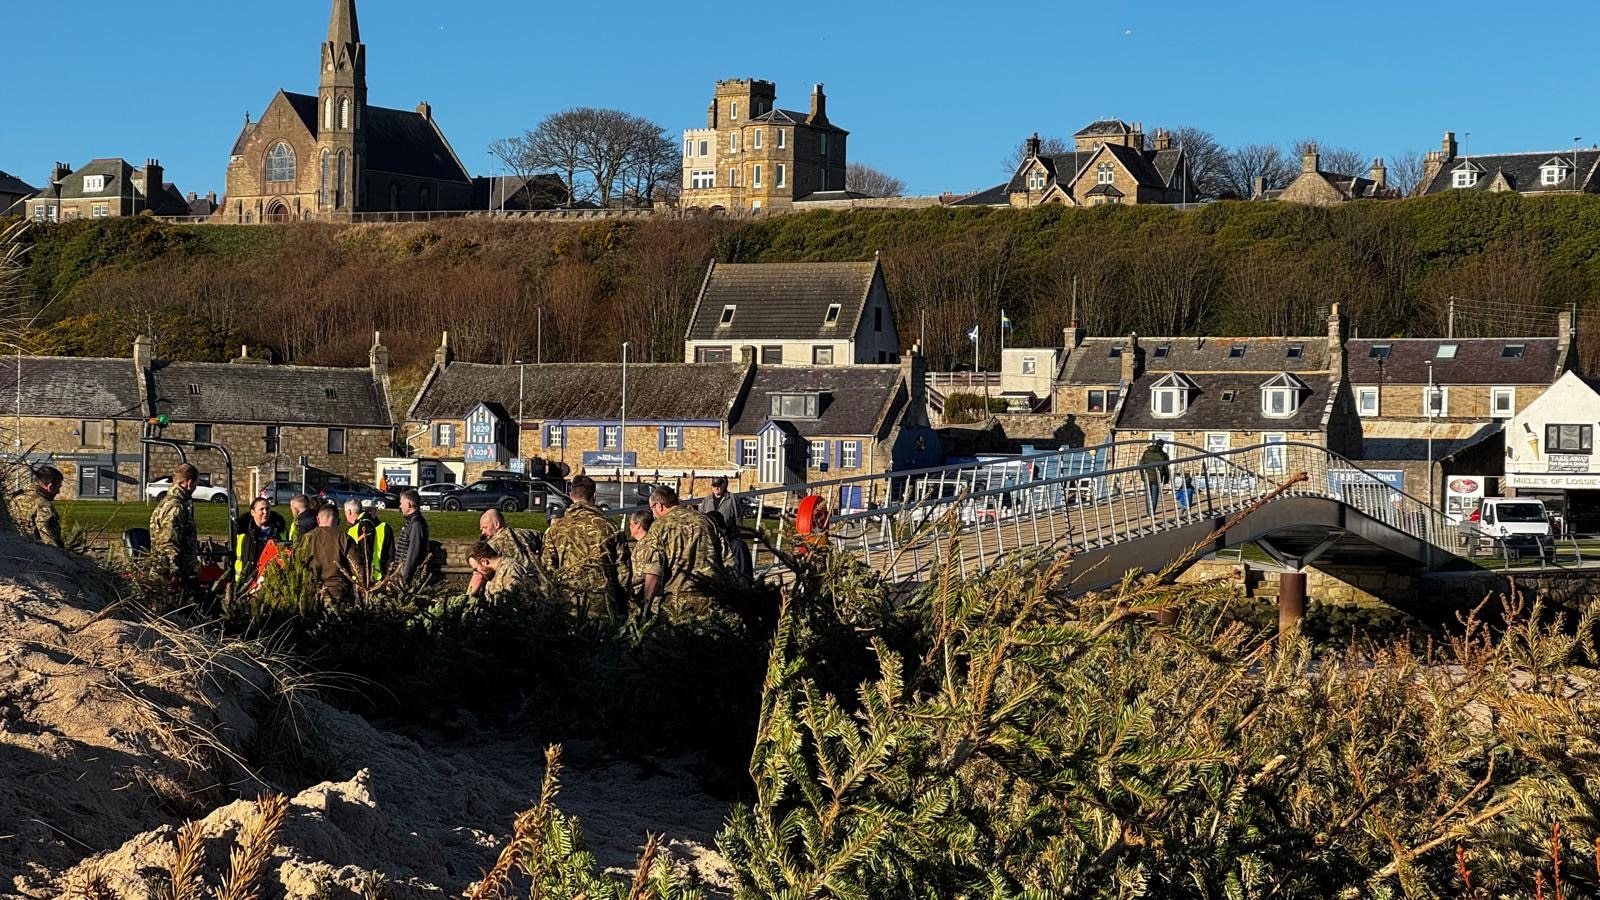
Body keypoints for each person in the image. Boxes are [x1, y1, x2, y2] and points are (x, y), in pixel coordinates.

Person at [638, 485, 723, 613]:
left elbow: (654, 570)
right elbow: (727, 559)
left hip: (676, 601)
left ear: (658, 505)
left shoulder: (659, 526)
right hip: (710, 598)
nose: (653, 514)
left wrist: (645, 608)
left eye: (652, 509)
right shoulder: (706, 521)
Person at [542, 475, 621, 615]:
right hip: (603, 601)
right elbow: (623, 571)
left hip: (568, 601)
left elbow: (548, 570)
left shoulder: (555, 530)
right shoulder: (610, 527)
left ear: (571, 495)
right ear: (594, 496)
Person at [150, 463, 201, 589]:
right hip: (169, 575)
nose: (195, 488)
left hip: (169, 570)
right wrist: (175, 573)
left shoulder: (168, 502)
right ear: (189, 483)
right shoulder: (175, 506)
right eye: (195, 484)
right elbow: (168, 541)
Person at [473, 509, 541, 597]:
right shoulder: (528, 533)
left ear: (496, 524)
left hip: (519, 592)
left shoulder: (491, 545)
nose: (483, 532)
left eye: (485, 528)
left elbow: (480, 575)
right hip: (542, 587)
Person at [303, 506, 357, 605]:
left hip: (310, 591)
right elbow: (357, 567)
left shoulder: (306, 538)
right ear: (338, 521)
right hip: (338, 592)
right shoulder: (344, 538)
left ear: (318, 519)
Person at [232, 497, 284, 588]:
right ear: (253, 512)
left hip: (270, 582)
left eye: (267, 509)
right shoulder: (242, 532)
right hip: (245, 582)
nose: (265, 512)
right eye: (261, 509)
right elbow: (233, 557)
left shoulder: (278, 531)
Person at [9, 465, 64, 549]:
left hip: (12, 546)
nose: (59, 492)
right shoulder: (44, 506)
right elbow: (50, 542)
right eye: (58, 487)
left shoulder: (16, 497)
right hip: (33, 551)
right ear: (50, 487)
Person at [343, 498, 389, 589]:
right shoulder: (357, 526)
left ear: (348, 512)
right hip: (365, 576)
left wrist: (363, 576)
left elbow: (365, 552)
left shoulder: (364, 525)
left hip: (367, 577)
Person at [467, 540, 531, 604]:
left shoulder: (510, 570)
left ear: (484, 561)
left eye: (476, 569)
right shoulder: (495, 572)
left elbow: (510, 601)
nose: (478, 572)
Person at [390, 488, 431, 586]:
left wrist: (404, 578)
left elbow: (413, 553)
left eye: (401, 503)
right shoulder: (411, 522)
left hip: (409, 578)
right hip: (402, 573)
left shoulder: (416, 524)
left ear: (408, 505)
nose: (400, 506)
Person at [1139, 439, 1171, 516]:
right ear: (1162, 446)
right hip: (1157, 477)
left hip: (1147, 476)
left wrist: (1142, 476)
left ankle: (1148, 513)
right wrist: (1166, 479)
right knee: (1154, 496)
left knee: (1148, 495)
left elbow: (1141, 465)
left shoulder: (1146, 453)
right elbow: (1166, 469)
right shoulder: (1164, 455)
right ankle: (1151, 513)